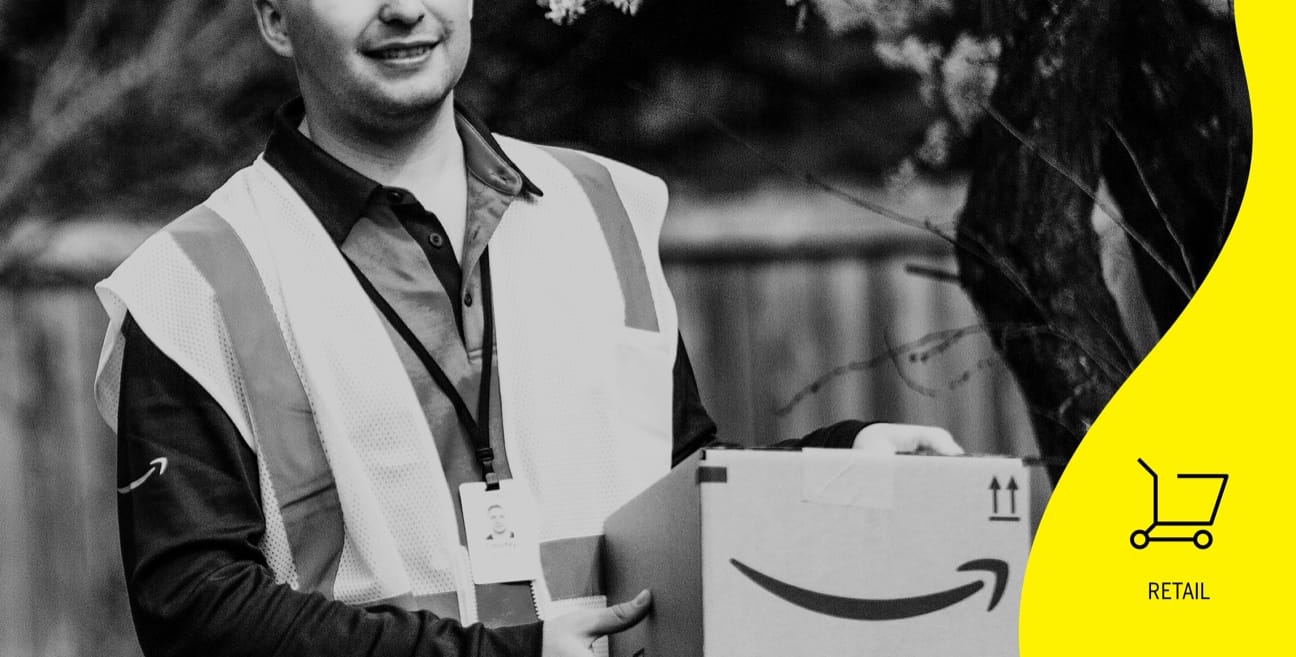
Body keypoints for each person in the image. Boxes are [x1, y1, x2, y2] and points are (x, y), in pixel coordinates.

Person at [92, 2, 963, 657]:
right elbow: (196, 611)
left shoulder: (601, 208)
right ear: (275, 17)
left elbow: (676, 494)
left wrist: (834, 469)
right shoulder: (196, 281)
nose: (403, 7)